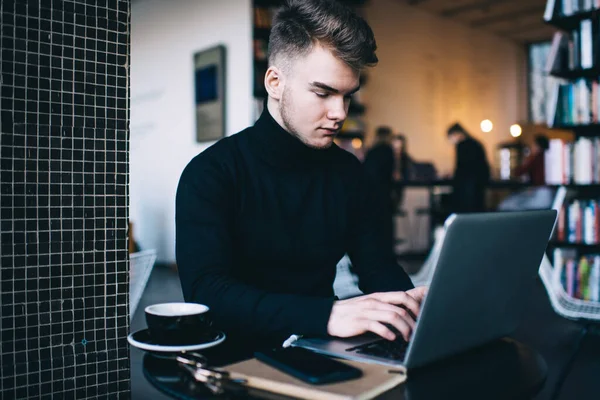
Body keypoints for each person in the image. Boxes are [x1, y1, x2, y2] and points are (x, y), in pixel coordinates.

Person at [176, 0, 426, 357]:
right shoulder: (210, 173)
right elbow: (207, 293)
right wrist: (326, 314)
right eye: (323, 93)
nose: (339, 113)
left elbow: (378, 267)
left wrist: (407, 306)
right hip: (234, 358)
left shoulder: (350, 173)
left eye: (347, 96)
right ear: (275, 82)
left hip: (324, 349)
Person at [447, 122, 490, 213]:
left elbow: (460, 167)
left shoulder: (461, 145)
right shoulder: (476, 143)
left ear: (456, 133)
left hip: (466, 187)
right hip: (479, 185)